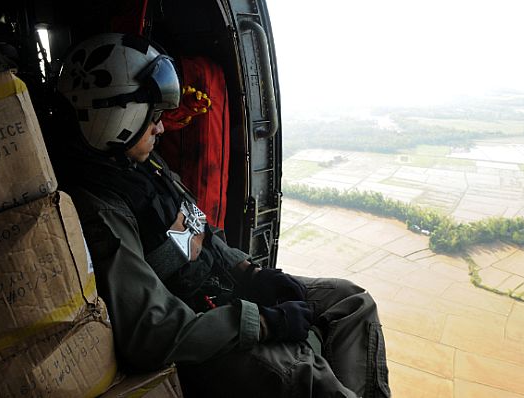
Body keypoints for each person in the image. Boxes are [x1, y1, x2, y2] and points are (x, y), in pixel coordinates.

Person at [56, 33, 391, 398]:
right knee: (303, 376)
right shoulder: (102, 209)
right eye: (152, 117)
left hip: (222, 292)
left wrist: (250, 271)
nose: (162, 127)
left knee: (351, 302)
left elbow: (198, 230)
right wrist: (263, 322)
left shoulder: (139, 165)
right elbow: (151, 333)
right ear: (115, 117)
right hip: (199, 339)